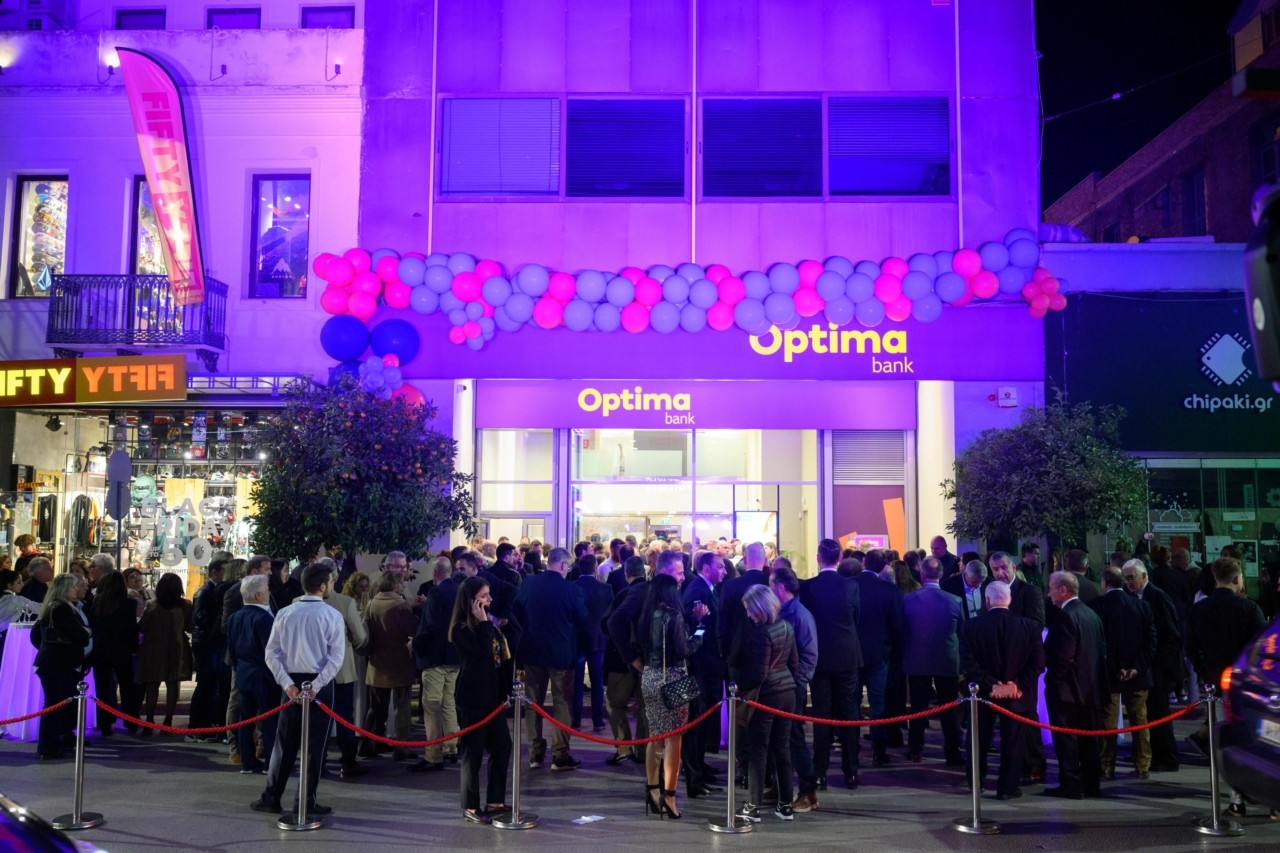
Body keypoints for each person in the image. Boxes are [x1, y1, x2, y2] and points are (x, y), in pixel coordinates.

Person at [251, 562, 345, 818]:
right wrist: (316, 686)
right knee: (315, 746)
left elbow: (271, 654)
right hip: (319, 685)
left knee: (284, 743)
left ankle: (272, 797)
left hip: (291, 683)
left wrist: (287, 684)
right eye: (331, 582)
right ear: (323, 586)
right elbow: (336, 658)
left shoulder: (284, 613)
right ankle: (305, 801)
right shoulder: (332, 615)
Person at [959, 581, 1045, 800]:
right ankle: (1007, 788)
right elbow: (1037, 663)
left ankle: (976, 782)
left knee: (978, 739)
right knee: (1013, 742)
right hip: (1017, 696)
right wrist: (1016, 685)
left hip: (982, 694)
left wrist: (992, 685)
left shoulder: (970, 626)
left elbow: (969, 664)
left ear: (987, 601)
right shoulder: (1030, 626)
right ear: (1010, 600)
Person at [511, 546, 589, 771]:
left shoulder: (528, 584)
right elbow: (583, 619)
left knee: (533, 703)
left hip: (532, 652)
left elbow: (516, 613)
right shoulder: (571, 589)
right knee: (562, 702)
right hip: (561, 654)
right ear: (564, 564)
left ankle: (535, 753)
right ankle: (560, 754)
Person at [637, 561, 705, 820]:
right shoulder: (673, 616)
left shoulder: (646, 615)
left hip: (650, 678)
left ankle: (652, 791)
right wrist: (700, 629)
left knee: (654, 737)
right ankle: (670, 796)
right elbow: (684, 649)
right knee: (674, 740)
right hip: (673, 680)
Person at [798, 538, 863, 790]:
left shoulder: (808, 587)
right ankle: (851, 772)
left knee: (822, 716)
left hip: (820, 657)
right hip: (847, 656)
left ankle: (820, 773)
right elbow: (857, 618)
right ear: (839, 559)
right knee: (849, 715)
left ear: (818, 558)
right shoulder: (851, 586)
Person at [732, 585, 799, 823]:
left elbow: (758, 675)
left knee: (758, 751)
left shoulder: (762, 634)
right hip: (788, 693)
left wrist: (739, 684)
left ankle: (753, 807)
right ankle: (785, 805)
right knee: (782, 749)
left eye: (750, 609)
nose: (748, 614)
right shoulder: (787, 626)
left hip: (767, 697)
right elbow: (794, 664)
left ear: (760, 608)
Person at [449, 576, 513, 824]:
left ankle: (495, 799)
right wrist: (485, 623)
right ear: (471, 601)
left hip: (493, 698)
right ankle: (470, 805)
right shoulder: (461, 629)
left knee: (502, 746)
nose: (490, 600)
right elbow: (484, 653)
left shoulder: (489, 625)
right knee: (472, 753)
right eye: (484, 596)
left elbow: (500, 658)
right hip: (472, 698)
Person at [1088, 567, 1156, 781]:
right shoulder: (1142, 605)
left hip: (1109, 675)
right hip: (1138, 674)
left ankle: (1106, 765)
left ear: (1104, 582)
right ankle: (1142, 765)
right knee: (1140, 721)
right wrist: (1136, 668)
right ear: (1123, 582)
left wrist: (1116, 668)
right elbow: (1150, 642)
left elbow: (1099, 644)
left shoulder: (1096, 606)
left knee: (1108, 722)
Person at [1043, 571, 1107, 799]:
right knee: (1089, 740)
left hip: (1067, 692)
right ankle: (1091, 784)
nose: (1048, 593)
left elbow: (1064, 657)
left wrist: (1052, 681)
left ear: (1063, 590)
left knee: (1067, 741)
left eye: (1051, 588)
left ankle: (1071, 785)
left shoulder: (1066, 616)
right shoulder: (1091, 614)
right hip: (1090, 690)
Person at [1121, 558, 1183, 772]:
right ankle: (1150, 754)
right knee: (1147, 713)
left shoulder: (1158, 597)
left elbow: (1172, 635)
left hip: (1158, 667)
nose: (1129, 582)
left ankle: (1167, 757)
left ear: (1144, 576)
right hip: (1145, 665)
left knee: (1159, 713)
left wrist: (1158, 665)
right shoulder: (1132, 596)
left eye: (1132, 578)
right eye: (1126, 579)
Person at [902, 556, 964, 765]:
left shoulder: (908, 600)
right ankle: (953, 752)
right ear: (941, 574)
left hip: (917, 659)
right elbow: (961, 631)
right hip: (947, 659)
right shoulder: (955, 601)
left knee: (918, 708)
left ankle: (916, 749)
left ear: (921, 574)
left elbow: (903, 630)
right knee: (949, 709)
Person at [770, 565, 820, 813]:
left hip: (791, 686)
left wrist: (797, 681)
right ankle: (782, 787)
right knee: (781, 738)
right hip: (781, 684)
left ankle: (808, 792)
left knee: (794, 738)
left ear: (780, 587)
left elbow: (810, 655)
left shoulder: (800, 615)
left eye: (771, 584)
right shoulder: (785, 612)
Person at [848, 553, 904, 771]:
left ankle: (851, 750)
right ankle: (878, 753)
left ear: (863, 563)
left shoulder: (849, 585)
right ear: (883, 567)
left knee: (852, 704)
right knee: (878, 705)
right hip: (879, 655)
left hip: (853, 654)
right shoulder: (890, 590)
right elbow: (898, 627)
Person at [679, 549, 726, 797]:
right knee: (697, 721)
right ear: (706, 568)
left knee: (706, 720)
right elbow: (695, 629)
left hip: (710, 665)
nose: (724, 571)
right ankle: (693, 775)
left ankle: (699, 765)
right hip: (701, 667)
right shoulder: (698, 590)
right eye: (720, 567)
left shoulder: (708, 589)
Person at [30, 573, 91, 759]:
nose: (76, 589)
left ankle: (54, 743)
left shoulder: (51, 607)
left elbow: (35, 636)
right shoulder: (62, 608)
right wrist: (86, 632)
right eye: (73, 587)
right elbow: (80, 636)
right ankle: (49, 747)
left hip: (54, 663)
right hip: (59, 665)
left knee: (56, 705)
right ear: (64, 589)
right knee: (55, 706)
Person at [361, 569, 417, 761]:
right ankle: (401, 747)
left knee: (376, 706)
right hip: (400, 661)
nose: (403, 585)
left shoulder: (372, 603)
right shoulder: (400, 604)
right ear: (394, 585)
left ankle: (369, 743)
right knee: (402, 706)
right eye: (401, 583)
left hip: (377, 662)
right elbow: (411, 629)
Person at [225, 574, 277, 775]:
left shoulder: (234, 618)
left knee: (245, 719)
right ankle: (270, 762)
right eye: (266, 590)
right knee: (269, 720)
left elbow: (231, 650)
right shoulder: (264, 619)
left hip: (243, 674)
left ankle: (247, 761)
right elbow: (270, 651)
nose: (269, 593)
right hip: (264, 676)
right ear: (258, 595)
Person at [411, 558, 459, 772]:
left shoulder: (436, 593)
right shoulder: (459, 590)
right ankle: (451, 748)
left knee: (431, 706)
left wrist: (415, 644)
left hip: (436, 657)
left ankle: (433, 755)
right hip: (455, 656)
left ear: (434, 573)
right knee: (449, 702)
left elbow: (430, 626)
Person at [322, 560, 368, 779]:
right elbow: (360, 636)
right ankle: (348, 762)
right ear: (334, 577)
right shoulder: (345, 602)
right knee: (344, 716)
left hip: (313, 670)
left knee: (318, 718)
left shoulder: (296, 603)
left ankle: (317, 762)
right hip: (341, 669)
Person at [603, 555, 649, 766]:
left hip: (622, 660)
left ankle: (623, 747)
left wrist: (629, 656)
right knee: (645, 706)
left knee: (615, 703)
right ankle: (643, 749)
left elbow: (608, 623)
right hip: (648, 659)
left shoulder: (624, 594)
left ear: (626, 573)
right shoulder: (654, 592)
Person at [135, 572, 193, 734]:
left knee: (152, 685)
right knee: (173, 684)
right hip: (177, 647)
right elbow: (190, 627)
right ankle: (168, 720)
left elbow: (143, 626)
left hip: (153, 648)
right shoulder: (186, 606)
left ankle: (149, 720)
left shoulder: (152, 605)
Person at [89, 570, 140, 736]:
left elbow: (93, 628)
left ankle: (104, 724)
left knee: (102, 688)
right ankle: (131, 722)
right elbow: (131, 629)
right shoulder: (129, 604)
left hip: (100, 650)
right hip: (122, 649)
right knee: (127, 687)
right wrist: (134, 648)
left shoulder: (95, 603)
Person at [572, 553, 614, 733]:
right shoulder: (606, 589)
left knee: (576, 682)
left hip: (576, 640)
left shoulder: (572, 587)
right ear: (595, 568)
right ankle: (597, 720)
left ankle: (575, 720)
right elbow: (610, 615)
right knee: (597, 682)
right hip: (598, 640)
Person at [0, 568, 40, 660]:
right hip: (6, 637)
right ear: (9, 585)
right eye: (19, 582)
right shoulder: (17, 600)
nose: (22, 584)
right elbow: (38, 608)